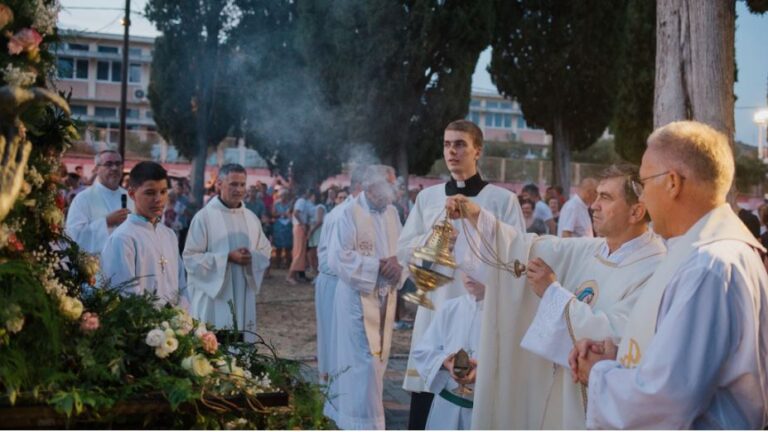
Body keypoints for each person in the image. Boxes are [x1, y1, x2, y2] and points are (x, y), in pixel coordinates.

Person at [569, 121, 768, 429]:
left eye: (645, 184)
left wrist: (598, 373)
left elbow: (666, 399)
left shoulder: (708, 265)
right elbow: (690, 361)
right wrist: (619, 355)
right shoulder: (708, 251)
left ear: (673, 183)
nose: (644, 199)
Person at [448, 163, 666, 429]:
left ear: (636, 211)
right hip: (559, 395)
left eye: (605, 198)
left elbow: (616, 340)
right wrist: (477, 217)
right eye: (596, 195)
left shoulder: (654, 269)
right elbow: (526, 246)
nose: (593, 205)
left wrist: (551, 293)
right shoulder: (593, 249)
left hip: (596, 410)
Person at [398, 119, 525, 430]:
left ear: (477, 150)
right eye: (447, 144)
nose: (452, 151)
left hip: (481, 312)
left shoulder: (501, 200)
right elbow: (403, 250)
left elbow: (518, 254)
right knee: (428, 405)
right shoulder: (428, 199)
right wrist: (436, 241)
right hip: (437, 306)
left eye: (460, 144)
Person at [324, 165, 404, 430]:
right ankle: (361, 423)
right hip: (358, 299)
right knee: (364, 364)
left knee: (378, 362)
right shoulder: (347, 213)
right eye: (389, 185)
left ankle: (367, 418)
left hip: (386, 297)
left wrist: (399, 264)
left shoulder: (392, 212)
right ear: (370, 187)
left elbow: (402, 249)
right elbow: (339, 258)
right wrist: (378, 266)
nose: (394, 190)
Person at [183, 163, 273, 342]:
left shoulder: (251, 218)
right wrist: (227, 258)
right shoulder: (204, 217)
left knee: (241, 352)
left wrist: (252, 257)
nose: (238, 189)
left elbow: (265, 250)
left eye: (242, 184)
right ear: (219, 184)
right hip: (214, 298)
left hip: (242, 293)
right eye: (233, 184)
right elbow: (190, 258)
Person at [100, 162, 188, 308]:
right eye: (150, 193)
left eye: (163, 192)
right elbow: (124, 294)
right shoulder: (123, 238)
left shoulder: (169, 235)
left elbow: (181, 285)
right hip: (142, 326)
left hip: (174, 326)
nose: (158, 199)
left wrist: (181, 320)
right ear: (132, 193)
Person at [411, 273, 484, 430]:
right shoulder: (450, 307)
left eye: (478, 268)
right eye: (466, 268)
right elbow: (423, 351)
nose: (470, 274)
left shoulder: (503, 315)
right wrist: (445, 362)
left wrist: (484, 371)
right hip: (446, 406)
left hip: (482, 411)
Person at [316, 166, 364, 388]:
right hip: (335, 282)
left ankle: (349, 382)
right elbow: (333, 258)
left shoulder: (366, 213)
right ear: (359, 187)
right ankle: (332, 385)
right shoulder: (340, 215)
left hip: (353, 282)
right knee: (333, 335)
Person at [65, 150, 134, 255]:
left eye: (118, 164)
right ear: (96, 169)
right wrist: (106, 222)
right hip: (97, 267)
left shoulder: (131, 198)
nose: (114, 168)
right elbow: (74, 235)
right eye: (108, 164)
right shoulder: (83, 199)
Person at [287, 188, 312, 284]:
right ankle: (290, 276)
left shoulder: (299, 201)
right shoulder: (301, 201)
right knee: (299, 252)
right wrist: (303, 224)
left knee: (299, 252)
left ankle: (295, 275)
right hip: (299, 228)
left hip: (298, 227)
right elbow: (296, 213)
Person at [271, 189, 293, 268]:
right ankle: (277, 264)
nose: (283, 197)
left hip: (287, 225)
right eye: (282, 195)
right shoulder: (276, 204)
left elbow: (292, 213)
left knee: (288, 246)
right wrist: (281, 214)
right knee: (278, 246)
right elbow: (273, 213)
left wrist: (288, 214)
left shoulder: (290, 204)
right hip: (279, 224)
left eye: (285, 195)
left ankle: (288, 264)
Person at [306, 190, 324, 275]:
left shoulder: (320, 206)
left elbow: (319, 221)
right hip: (314, 231)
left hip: (317, 232)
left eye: (312, 196)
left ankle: (318, 273)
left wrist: (311, 231)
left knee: (316, 254)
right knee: (312, 253)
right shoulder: (315, 206)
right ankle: (315, 272)